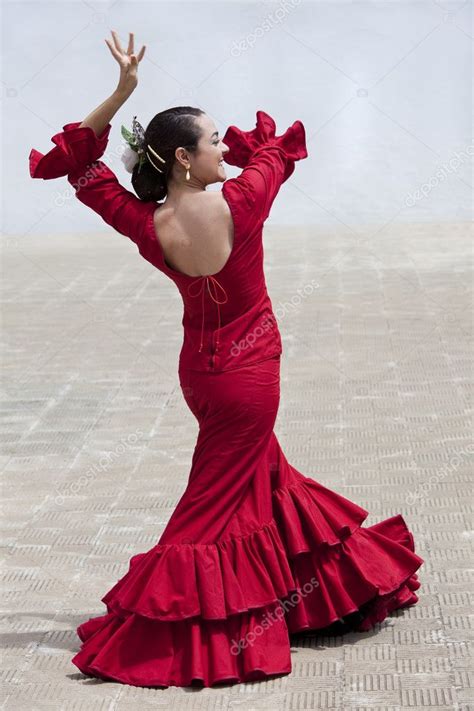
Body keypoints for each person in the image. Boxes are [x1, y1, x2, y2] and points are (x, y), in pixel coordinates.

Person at [29, 31, 424, 689]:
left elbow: (77, 165)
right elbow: (278, 153)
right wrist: (257, 150)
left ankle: (333, 591)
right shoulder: (245, 200)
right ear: (184, 157)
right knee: (209, 509)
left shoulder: (144, 222)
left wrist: (122, 91)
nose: (223, 148)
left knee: (271, 483)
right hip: (251, 374)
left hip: (202, 376)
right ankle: (160, 631)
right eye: (213, 141)